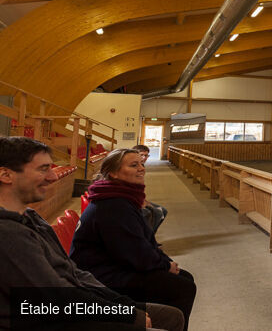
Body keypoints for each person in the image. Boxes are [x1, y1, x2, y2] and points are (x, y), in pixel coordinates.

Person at [0, 137, 184, 331]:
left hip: (70, 303)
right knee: (168, 304)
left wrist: (122, 304)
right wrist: (126, 313)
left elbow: (74, 272)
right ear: (5, 175)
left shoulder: (31, 217)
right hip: (46, 318)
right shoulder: (8, 233)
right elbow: (56, 296)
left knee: (171, 316)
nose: (53, 177)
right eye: (43, 169)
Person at [69, 149, 196, 330]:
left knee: (184, 278)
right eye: (134, 165)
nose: (141, 168)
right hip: (100, 277)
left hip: (113, 265)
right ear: (113, 173)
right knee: (182, 287)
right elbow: (134, 252)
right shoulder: (113, 204)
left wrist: (165, 262)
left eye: (141, 164)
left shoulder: (119, 197)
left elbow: (143, 241)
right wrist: (165, 265)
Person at [133, 144, 168, 234]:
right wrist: (141, 202)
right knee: (153, 213)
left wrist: (144, 200)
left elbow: (139, 187)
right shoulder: (131, 168)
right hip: (130, 199)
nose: (144, 158)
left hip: (137, 197)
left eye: (146, 155)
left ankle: (150, 237)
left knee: (163, 211)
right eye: (141, 155)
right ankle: (146, 237)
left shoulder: (141, 166)